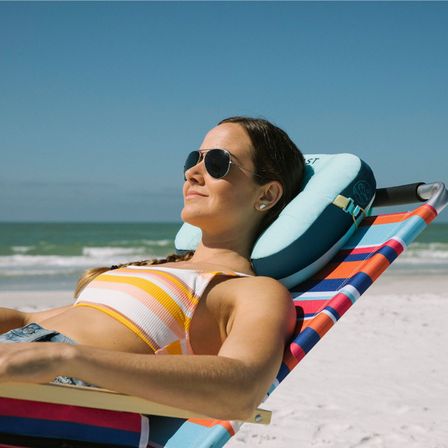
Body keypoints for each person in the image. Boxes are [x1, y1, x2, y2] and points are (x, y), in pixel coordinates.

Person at [0, 117, 305, 421]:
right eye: (193, 159)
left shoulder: (252, 290)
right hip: (22, 355)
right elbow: (28, 319)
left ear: (266, 195)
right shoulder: (160, 269)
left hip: (57, 388)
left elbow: (242, 389)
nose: (192, 173)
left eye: (217, 162)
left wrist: (64, 359)